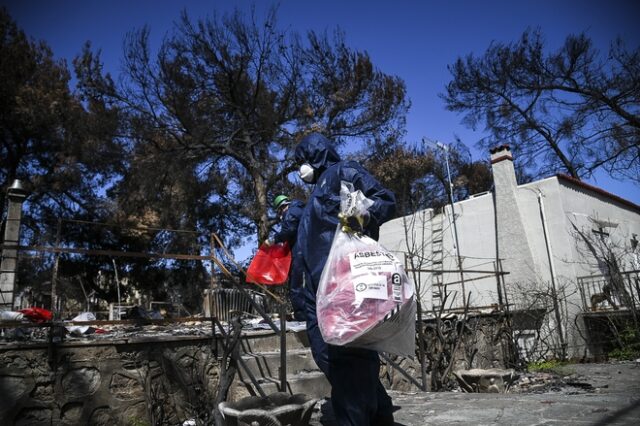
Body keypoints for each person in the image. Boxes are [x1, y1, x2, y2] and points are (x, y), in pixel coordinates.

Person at [294, 132, 396, 426]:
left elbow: (384, 201)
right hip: (317, 289)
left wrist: (355, 218)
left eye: (302, 161)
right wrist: (300, 299)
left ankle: (358, 417)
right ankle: (378, 411)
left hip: (342, 283)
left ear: (317, 154)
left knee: (347, 354)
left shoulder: (343, 171)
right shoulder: (313, 196)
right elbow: (305, 249)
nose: (300, 169)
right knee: (327, 353)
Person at [266, 194, 307, 321]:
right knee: (309, 283)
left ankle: (301, 315)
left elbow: (288, 230)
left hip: (299, 252)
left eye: (280, 211)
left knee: (296, 284)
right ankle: (311, 313)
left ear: (282, 207)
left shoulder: (290, 213)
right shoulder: (303, 210)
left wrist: (275, 239)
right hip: (309, 249)